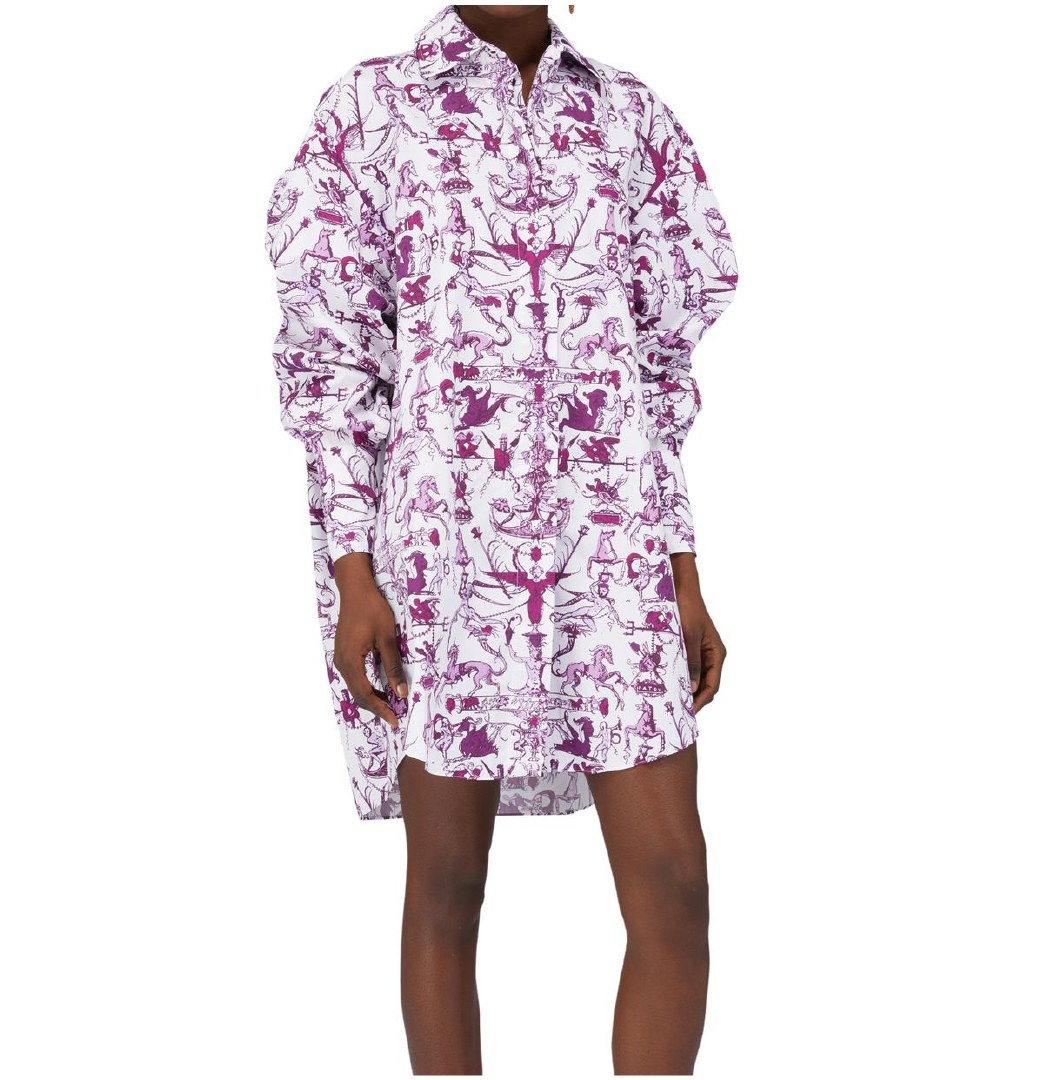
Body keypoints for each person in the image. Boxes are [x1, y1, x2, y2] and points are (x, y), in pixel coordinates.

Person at [264, 4, 738, 1073]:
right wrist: (353, 573)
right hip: (443, 552)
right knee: (448, 886)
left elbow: (656, 380)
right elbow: (334, 366)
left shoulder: (629, 120)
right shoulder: (372, 110)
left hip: (616, 549)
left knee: (674, 885)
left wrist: (682, 571)